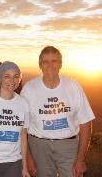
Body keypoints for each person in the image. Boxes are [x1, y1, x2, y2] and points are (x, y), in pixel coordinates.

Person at [21, 46, 95, 177]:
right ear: (40, 65)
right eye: (45, 61)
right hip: (39, 146)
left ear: (60, 64)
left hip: (68, 145)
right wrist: (28, 158)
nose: (50, 65)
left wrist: (80, 159)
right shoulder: (29, 89)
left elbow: (85, 124)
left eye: (54, 61)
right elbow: (22, 128)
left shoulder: (73, 86)